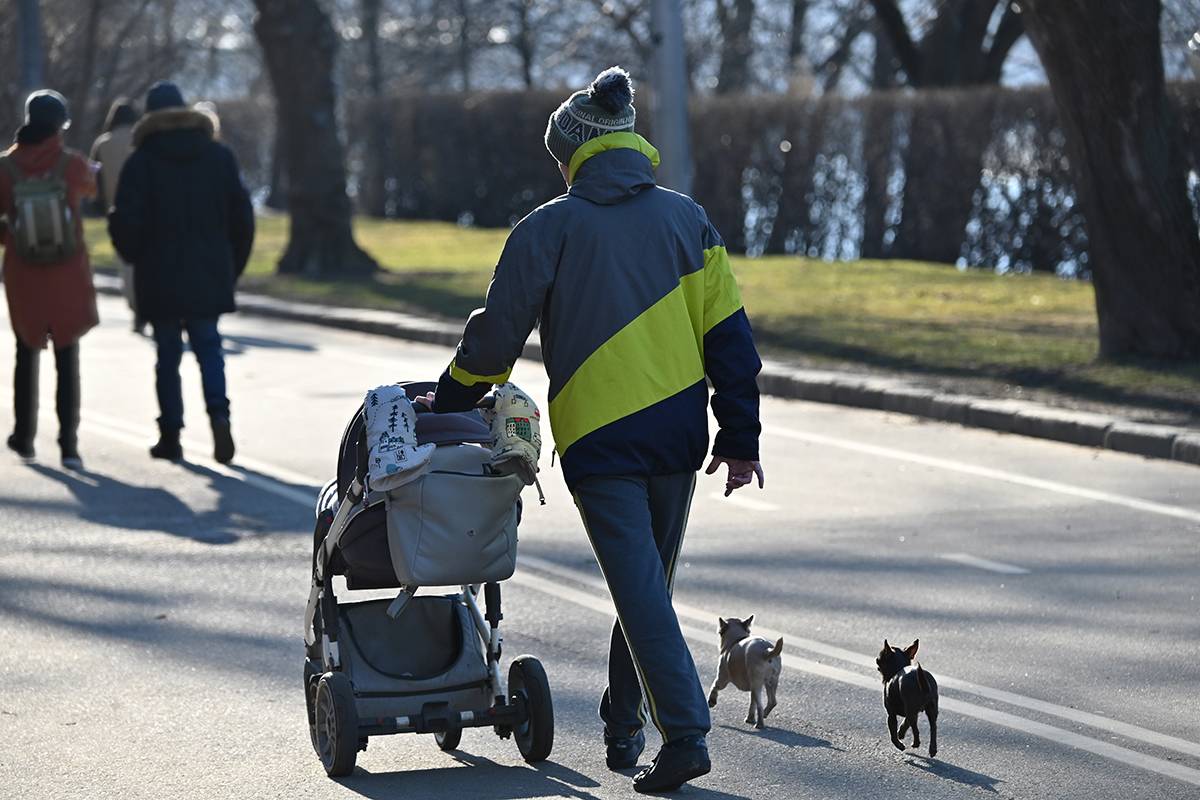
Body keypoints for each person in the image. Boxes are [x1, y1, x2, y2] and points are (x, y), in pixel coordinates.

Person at [429, 67, 764, 794]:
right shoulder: (688, 220)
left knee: (640, 592)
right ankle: (623, 719)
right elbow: (730, 338)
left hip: (601, 442)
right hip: (678, 437)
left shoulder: (547, 228)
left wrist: (447, 399)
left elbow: (493, 345)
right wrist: (740, 437)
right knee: (645, 589)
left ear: (572, 155)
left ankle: (685, 735)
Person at [108, 81, 254, 464]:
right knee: (209, 349)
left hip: (159, 275)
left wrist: (133, 256)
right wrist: (231, 267)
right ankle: (219, 416)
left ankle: (170, 435)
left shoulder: (141, 161)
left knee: (167, 356)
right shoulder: (219, 155)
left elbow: (125, 222)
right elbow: (243, 218)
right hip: (209, 271)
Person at [0, 90, 100, 471]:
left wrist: (13, 237)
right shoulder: (71, 164)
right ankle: (69, 446)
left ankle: (24, 436)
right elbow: (92, 190)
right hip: (67, 272)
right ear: (60, 125)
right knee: (67, 354)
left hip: (23, 273)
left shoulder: (5, 167)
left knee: (25, 351)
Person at [89, 98, 141, 332]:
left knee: (126, 263)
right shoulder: (141, 139)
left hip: (115, 209)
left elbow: (94, 179)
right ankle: (145, 305)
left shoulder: (103, 144)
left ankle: (135, 305)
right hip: (143, 207)